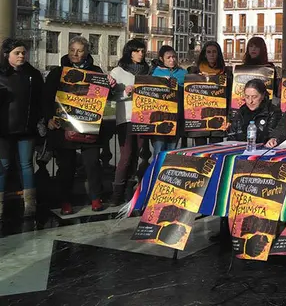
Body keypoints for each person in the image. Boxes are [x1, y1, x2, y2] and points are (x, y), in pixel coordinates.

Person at [43, 36, 115, 214]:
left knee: (92, 164)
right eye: (72, 49)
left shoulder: (96, 71)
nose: (75, 54)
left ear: (87, 52)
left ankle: (95, 198)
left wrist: (110, 86)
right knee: (66, 167)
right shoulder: (57, 72)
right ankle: (65, 201)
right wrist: (48, 119)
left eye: (79, 50)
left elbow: (105, 98)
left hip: (88, 127)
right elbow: (45, 99)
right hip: (64, 128)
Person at [0, 39, 44, 219]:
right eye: (17, 53)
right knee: (3, 166)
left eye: (23, 52)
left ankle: (30, 204)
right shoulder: (1, 74)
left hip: (27, 129)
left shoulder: (33, 74)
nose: (21, 56)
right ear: (6, 55)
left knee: (26, 165)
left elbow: (41, 100)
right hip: (3, 130)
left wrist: (40, 121)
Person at [109, 39, 151, 206]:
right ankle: (116, 194)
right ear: (129, 52)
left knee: (136, 155)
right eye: (137, 51)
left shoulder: (148, 71)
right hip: (125, 118)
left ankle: (129, 192)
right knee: (126, 156)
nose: (141, 54)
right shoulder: (117, 71)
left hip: (143, 118)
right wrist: (125, 92)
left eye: (142, 51)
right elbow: (109, 96)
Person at [149, 46, 186, 166]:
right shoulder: (154, 72)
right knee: (158, 150)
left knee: (172, 150)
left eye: (174, 57)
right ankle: (155, 177)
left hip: (177, 118)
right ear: (161, 58)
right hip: (159, 119)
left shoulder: (183, 73)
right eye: (168, 57)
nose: (172, 60)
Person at [187, 41, 230, 146]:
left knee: (215, 150)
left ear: (218, 54)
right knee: (200, 150)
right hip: (199, 119)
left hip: (218, 118)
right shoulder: (194, 72)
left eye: (214, 52)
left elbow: (229, 97)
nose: (212, 54)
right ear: (205, 54)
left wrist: (229, 117)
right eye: (209, 52)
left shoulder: (226, 73)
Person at [230, 79, 281, 143]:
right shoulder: (241, 111)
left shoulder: (272, 112)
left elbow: (271, 137)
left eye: (254, 97)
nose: (250, 101)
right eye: (247, 96)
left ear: (263, 96)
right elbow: (231, 137)